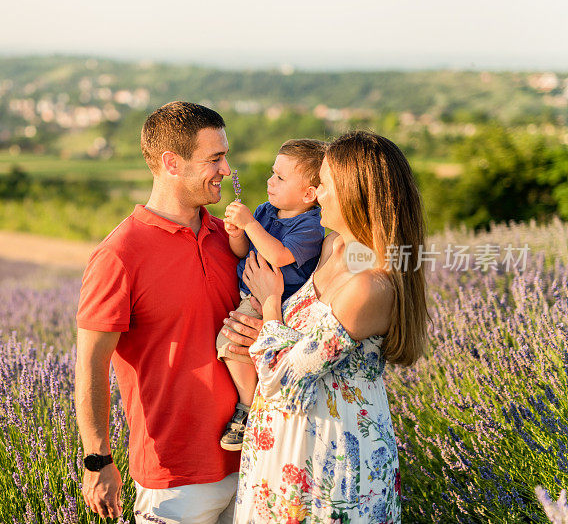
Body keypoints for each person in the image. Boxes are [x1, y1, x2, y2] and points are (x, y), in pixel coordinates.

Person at [231, 131, 429, 523]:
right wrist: (256, 328)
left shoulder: (369, 286)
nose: (316, 193)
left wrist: (270, 302)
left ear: (356, 194)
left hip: (331, 463)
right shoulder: (333, 246)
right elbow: (294, 341)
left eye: (326, 185)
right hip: (284, 450)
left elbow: (283, 378)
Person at [75, 101, 249, 523]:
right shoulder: (120, 254)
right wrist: (97, 460)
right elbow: (91, 361)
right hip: (175, 479)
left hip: (254, 461)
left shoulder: (230, 237)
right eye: (215, 158)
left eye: (225, 156)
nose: (226, 169)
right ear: (172, 163)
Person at [216, 139, 326, 452]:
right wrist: (238, 234)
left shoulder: (311, 225)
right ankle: (252, 401)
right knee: (235, 346)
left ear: (308, 194)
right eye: (271, 173)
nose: (270, 181)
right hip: (250, 294)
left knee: (229, 342)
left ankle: (247, 408)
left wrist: (250, 223)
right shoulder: (266, 211)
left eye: (280, 177)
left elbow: (278, 256)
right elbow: (242, 252)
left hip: (278, 303)